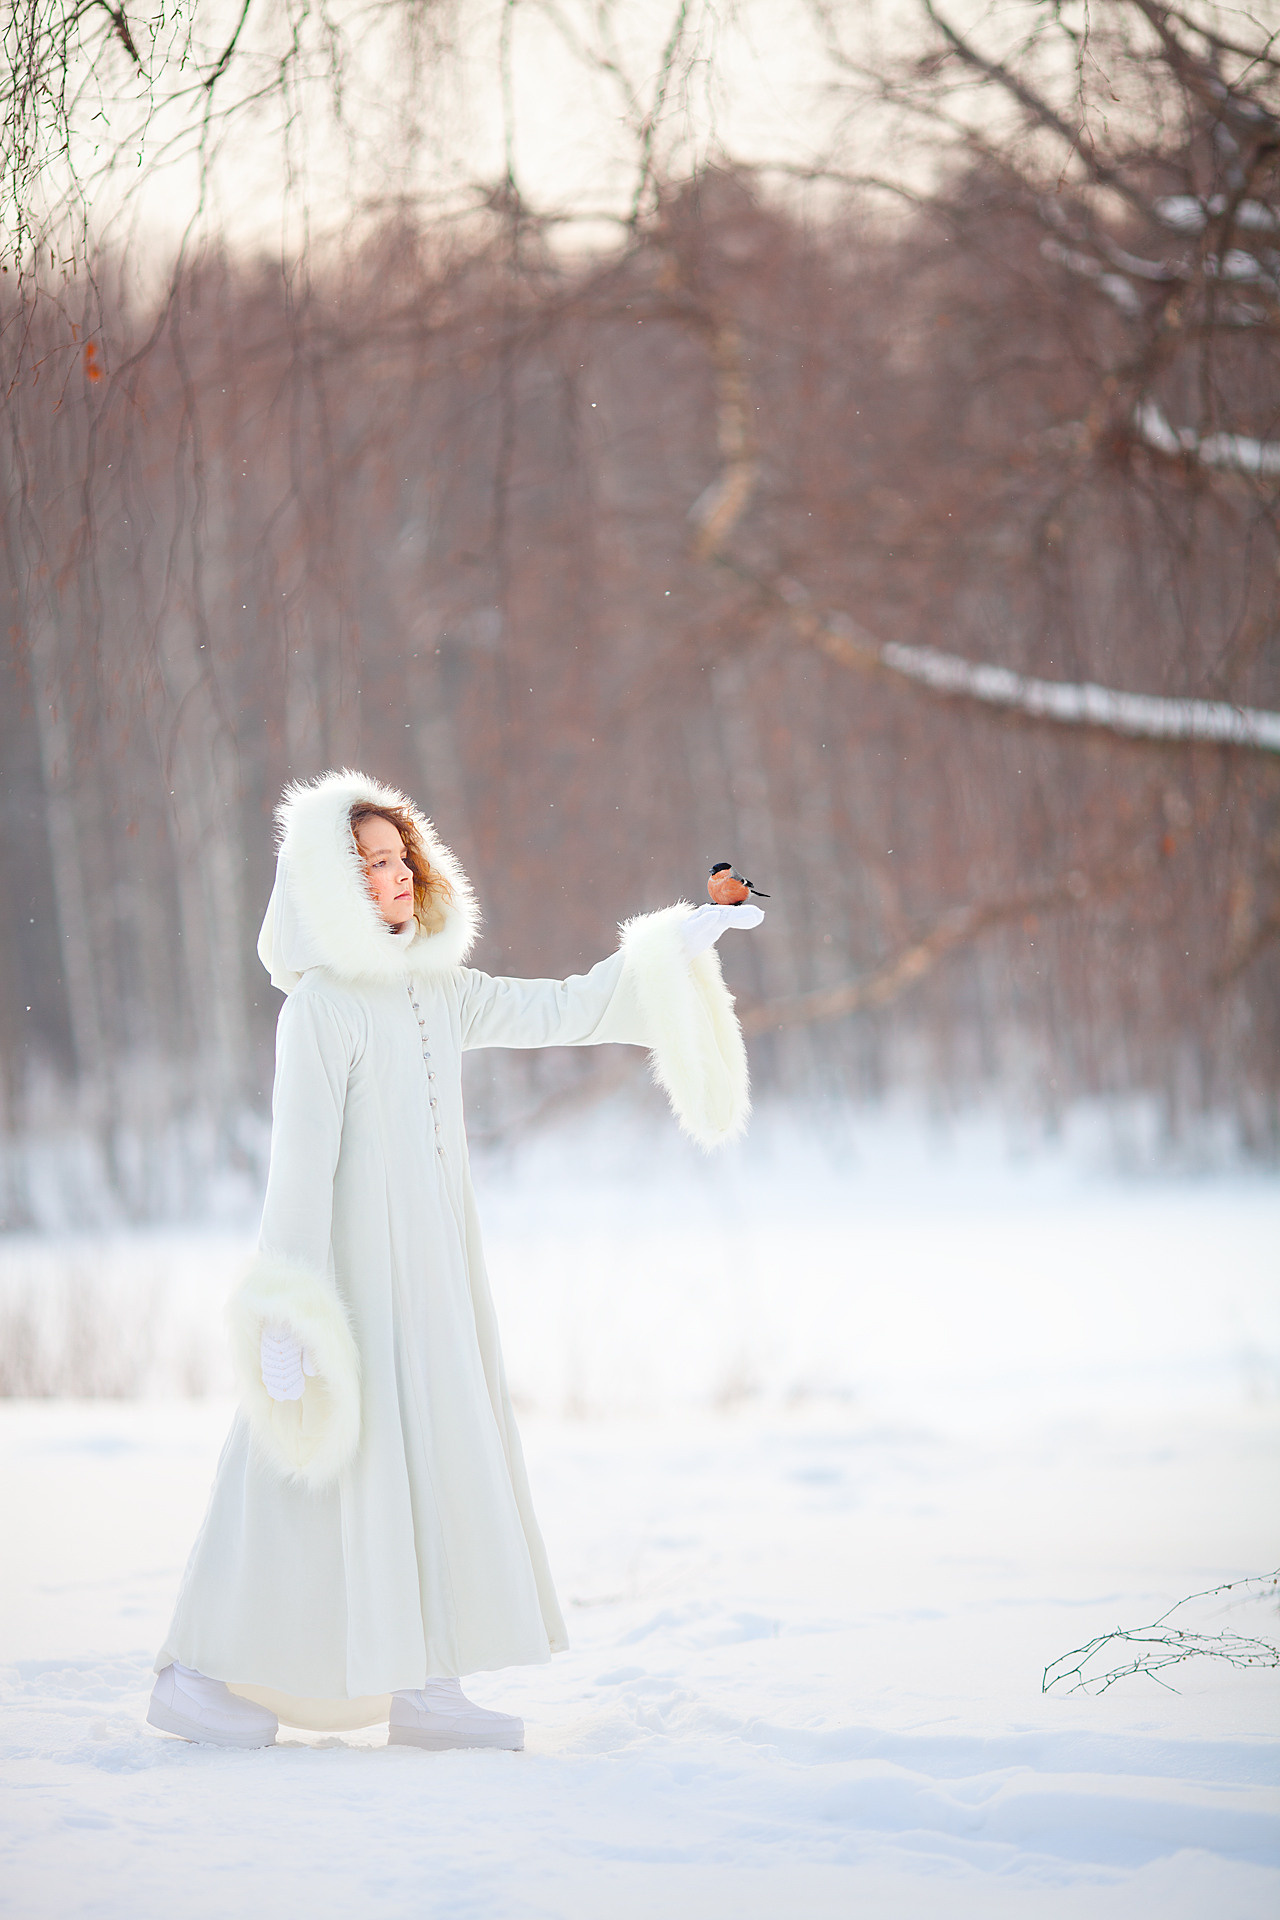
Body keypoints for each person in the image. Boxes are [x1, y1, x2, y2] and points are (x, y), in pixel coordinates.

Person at [147, 769, 762, 1751]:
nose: (396, 876)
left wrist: (670, 948)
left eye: (400, 857)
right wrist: (286, 1315)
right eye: (372, 864)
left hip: (430, 1281)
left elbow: (563, 1008)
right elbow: (298, 1174)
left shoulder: (435, 992)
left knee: (430, 1458)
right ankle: (194, 1672)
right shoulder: (321, 1011)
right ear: (327, 886)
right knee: (297, 1466)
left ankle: (426, 1688)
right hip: (347, 1286)